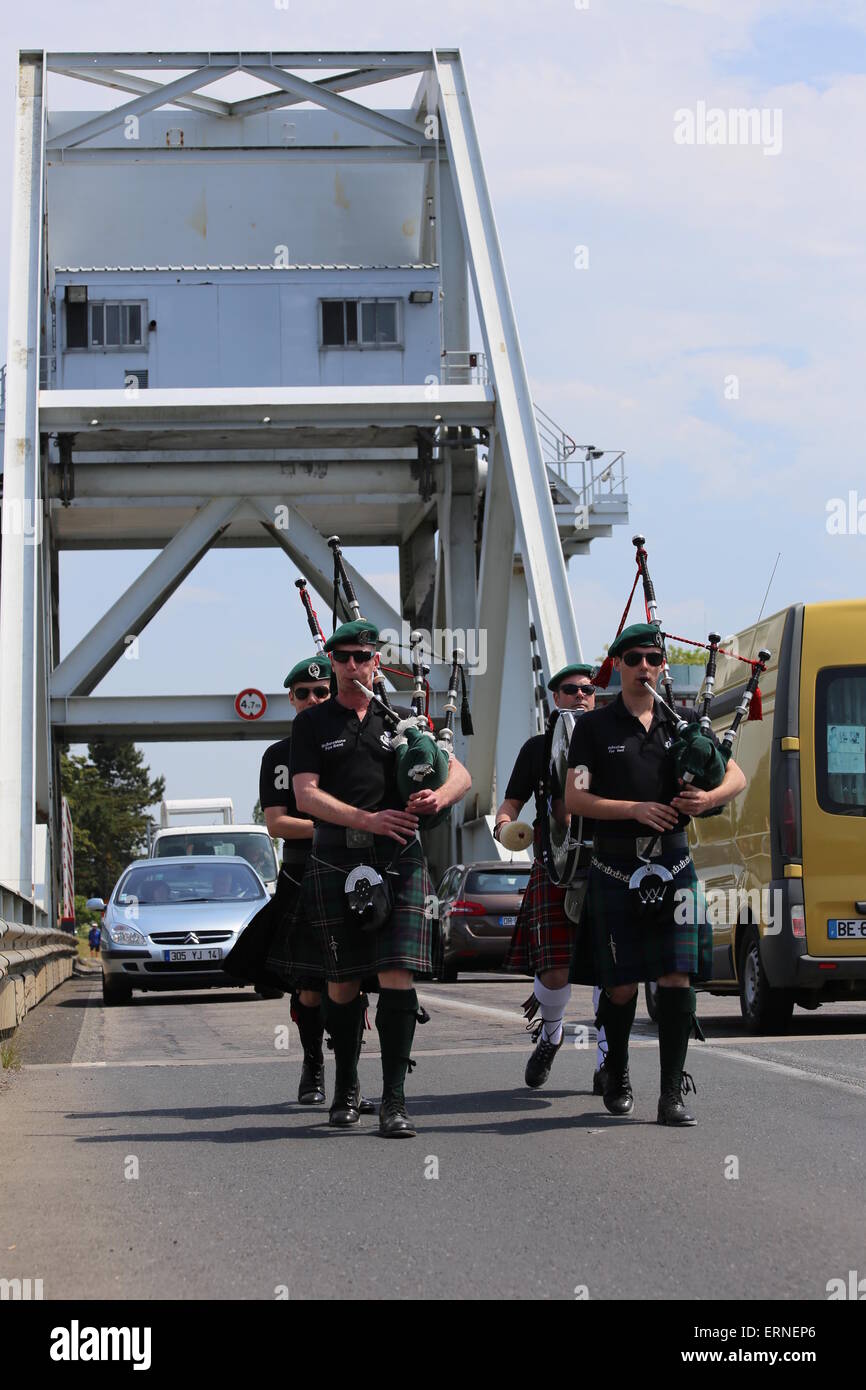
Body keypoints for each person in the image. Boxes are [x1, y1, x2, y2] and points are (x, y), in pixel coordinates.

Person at [291, 619, 472, 1138]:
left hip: (399, 859)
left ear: (376, 661)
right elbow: (305, 796)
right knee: (343, 981)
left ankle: (395, 1099)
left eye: (361, 657)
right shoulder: (312, 724)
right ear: (332, 662)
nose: (352, 666)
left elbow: (459, 773)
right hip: (336, 859)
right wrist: (367, 819)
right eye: (342, 657)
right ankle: (346, 1084)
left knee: (398, 974)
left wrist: (441, 796)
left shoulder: (404, 720)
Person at [566, 622, 747, 1126]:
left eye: (652, 658)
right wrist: (635, 810)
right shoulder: (594, 728)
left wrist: (709, 798)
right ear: (617, 665)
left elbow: (736, 774)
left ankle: (672, 1092)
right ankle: (618, 1068)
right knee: (621, 986)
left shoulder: (685, 721)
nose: (643, 667)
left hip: (675, 864)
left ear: (662, 665)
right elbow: (576, 798)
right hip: (616, 864)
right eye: (633, 659)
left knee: (676, 977)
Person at [225, 655, 373, 1108]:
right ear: (290, 699)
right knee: (310, 985)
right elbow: (277, 823)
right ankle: (313, 1062)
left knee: (352, 980)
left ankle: (349, 1077)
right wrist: (339, 825)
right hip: (302, 872)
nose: (313, 699)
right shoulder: (279, 755)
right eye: (303, 693)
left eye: (322, 692)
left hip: (355, 871)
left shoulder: (353, 743)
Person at [496, 665, 607, 1091]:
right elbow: (510, 804)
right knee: (555, 971)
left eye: (589, 690)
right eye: (571, 689)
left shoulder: (609, 742)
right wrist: (503, 825)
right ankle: (551, 1032)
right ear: (554, 697)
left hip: (606, 860)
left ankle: (608, 1063)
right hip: (555, 861)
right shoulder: (538, 749)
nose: (581, 695)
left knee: (609, 970)